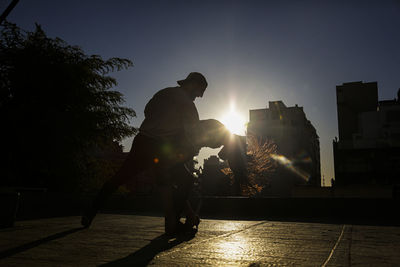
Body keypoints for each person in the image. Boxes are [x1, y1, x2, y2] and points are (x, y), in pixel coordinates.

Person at [81, 72, 248, 235]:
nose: (201, 96)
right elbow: (194, 133)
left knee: (121, 178)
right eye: (200, 91)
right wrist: (214, 139)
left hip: (142, 141)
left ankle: (90, 211)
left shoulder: (162, 93)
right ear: (193, 85)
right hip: (160, 147)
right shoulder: (188, 105)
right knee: (185, 180)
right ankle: (172, 222)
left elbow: (147, 111)